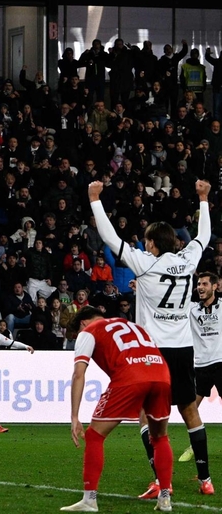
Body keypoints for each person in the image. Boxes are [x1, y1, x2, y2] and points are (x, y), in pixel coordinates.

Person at [89, 179, 214, 497]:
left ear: (154, 244)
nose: (144, 246)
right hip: (184, 348)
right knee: (189, 410)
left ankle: (160, 481)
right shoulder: (188, 261)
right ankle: (205, 480)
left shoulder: (145, 264)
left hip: (154, 351)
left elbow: (109, 237)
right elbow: (204, 236)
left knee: (150, 415)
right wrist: (203, 198)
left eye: (147, 242)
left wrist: (94, 200)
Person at [62, 307, 173, 512]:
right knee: (160, 437)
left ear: (83, 323)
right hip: (162, 373)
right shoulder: (131, 325)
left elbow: (79, 374)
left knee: (94, 436)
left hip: (131, 376)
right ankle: (165, 499)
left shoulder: (89, 330)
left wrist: (74, 416)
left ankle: (89, 500)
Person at [181, 272, 222, 465]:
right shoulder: (191, 309)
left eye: (205, 283)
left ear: (215, 286)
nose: (200, 287)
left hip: (221, 362)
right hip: (199, 365)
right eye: (198, 284)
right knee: (190, 409)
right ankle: (195, 446)